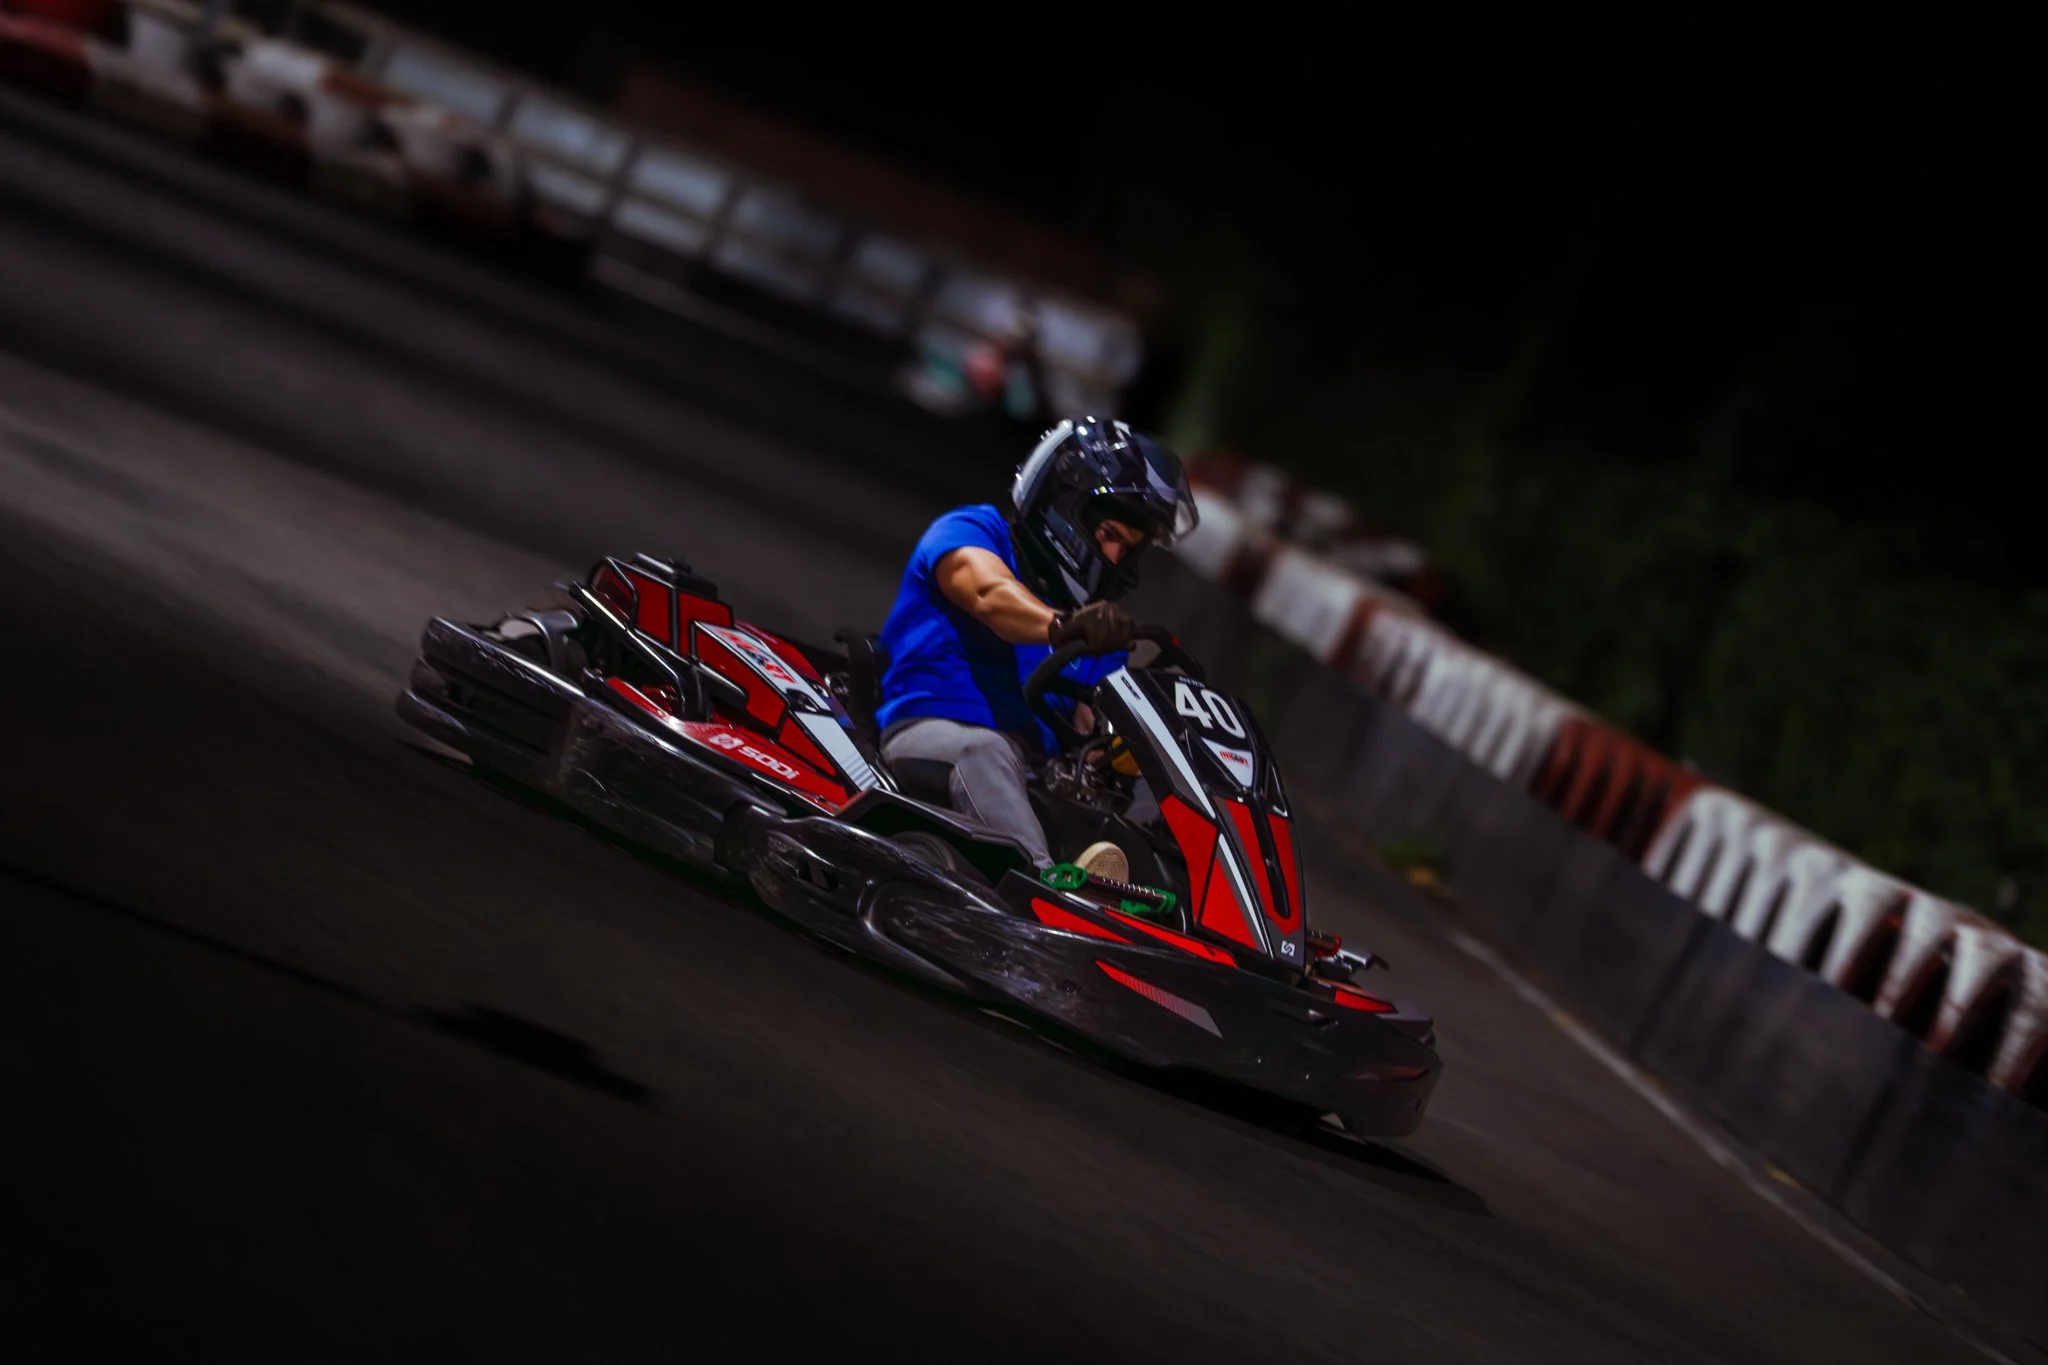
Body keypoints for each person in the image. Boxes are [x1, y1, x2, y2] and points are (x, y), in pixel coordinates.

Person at [875, 417, 1200, 883]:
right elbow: (989, 594)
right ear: (1061, 507)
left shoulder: (1095, 626)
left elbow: (1095, 729)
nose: (1114, 561)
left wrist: (1130, 749)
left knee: (1162, 789)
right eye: (1109, 536)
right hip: (924, 736)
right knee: (984, 751)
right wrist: (1061, 627)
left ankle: (1198, 919)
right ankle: (1044, 890)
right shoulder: (974, 532)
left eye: (1128, 549)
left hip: (1030, 773)